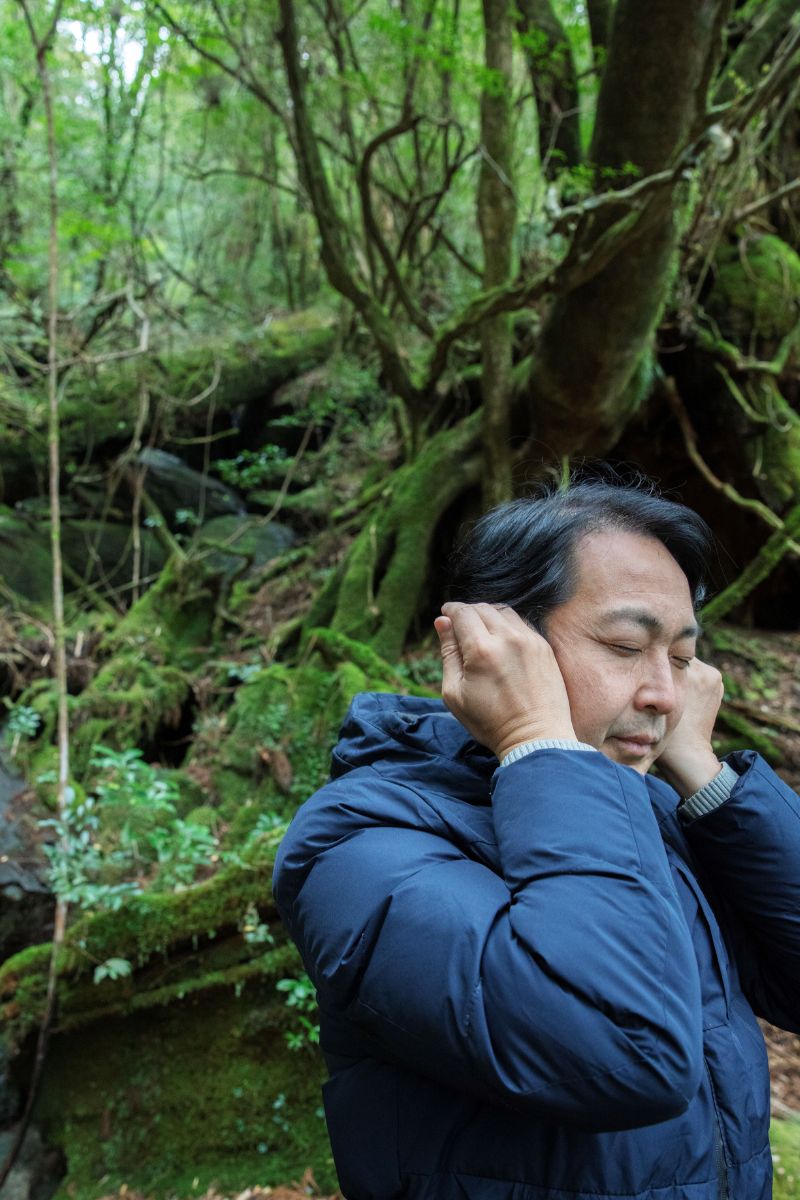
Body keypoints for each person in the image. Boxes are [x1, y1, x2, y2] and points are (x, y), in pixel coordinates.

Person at [272, 477, 800, 1200]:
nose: (665, 695)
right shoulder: (360, 845)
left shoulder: (643, 812)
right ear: (493, 644)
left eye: (680, 659)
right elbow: (624, 1052)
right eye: (625, 645)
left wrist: (705, 777)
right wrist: (534, 739)